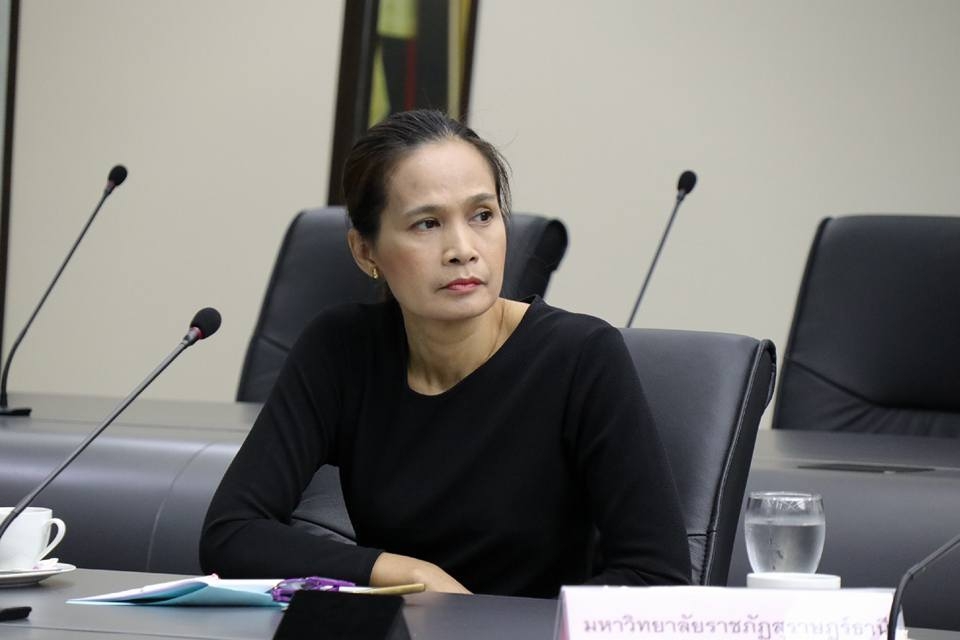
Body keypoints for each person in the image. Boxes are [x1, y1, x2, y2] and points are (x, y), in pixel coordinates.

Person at [200, 109, 691, 597]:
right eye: (427, 224)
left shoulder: (580, 356)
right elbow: (232, 532)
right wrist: (403, 572)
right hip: (397, 628)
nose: (462, 249)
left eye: (483, 216)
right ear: (366, 252)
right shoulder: (343, 348)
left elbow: (657, 577)